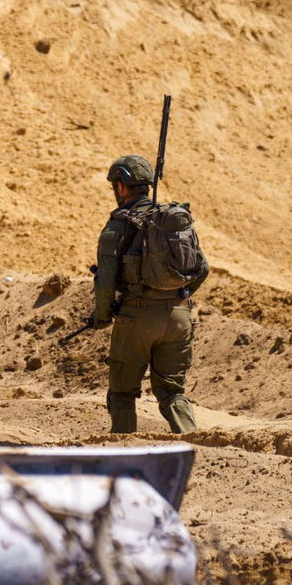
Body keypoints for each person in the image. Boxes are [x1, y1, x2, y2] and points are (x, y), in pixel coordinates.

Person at [90, 154, 208, 434]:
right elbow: (202, 269)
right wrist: (177, 295)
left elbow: (105, 281)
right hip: (179, 316)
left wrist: (102, 316)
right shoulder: (172, 222)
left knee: (122, 392)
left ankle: (123, 451)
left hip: (136, 318)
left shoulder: (118, 225)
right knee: (172, 394)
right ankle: (195, 445)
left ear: (120, 186)